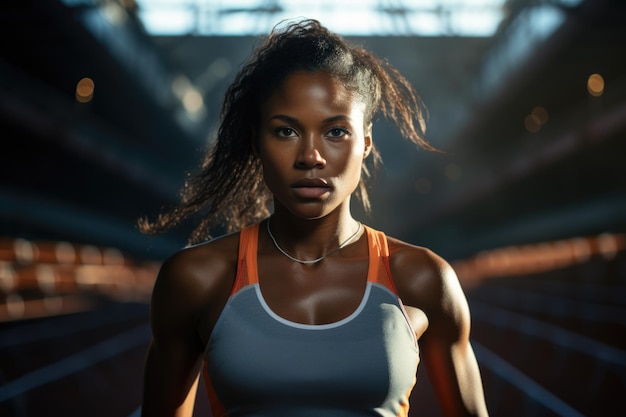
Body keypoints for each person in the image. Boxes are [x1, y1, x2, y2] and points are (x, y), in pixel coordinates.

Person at [138, 18, 489, 417]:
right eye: (286, 132)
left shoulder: (424, 279)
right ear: (257, 142)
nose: (311, 156)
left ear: (366, 143)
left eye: (336, 132)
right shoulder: (196, 279)